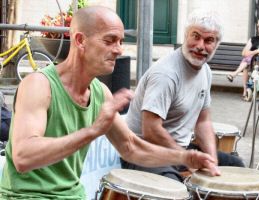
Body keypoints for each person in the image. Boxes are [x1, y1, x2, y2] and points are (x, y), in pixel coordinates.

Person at [0, 6, 220, 199]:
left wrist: (185, 156)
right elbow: (23, 156)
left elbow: (130, 147)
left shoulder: (100, 92)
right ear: (80, 40)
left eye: (121, 42)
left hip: (72, 195)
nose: (118, 50)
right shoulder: (38, 85)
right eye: (110, 40)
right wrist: (93, 131)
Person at [121, 10, 245, 182]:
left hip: (179, 150)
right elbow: (150, 130)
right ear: (186, 35)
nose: (201, 46)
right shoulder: (166, 74)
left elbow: (203, 121)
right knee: (173, 185)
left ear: (217, 44)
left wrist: (212, 159)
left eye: (209, 40)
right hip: (143, 152)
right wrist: (186, 158)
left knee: (235, 167)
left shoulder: (205, 71)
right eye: (196, 36)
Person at [226, 18, 259, 101]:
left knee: (246, 64)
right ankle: (245, 91)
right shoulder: (253, 39)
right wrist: (256, 51)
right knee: (247, 62)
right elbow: (244, 53)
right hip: (252, 62)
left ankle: (234, 74)